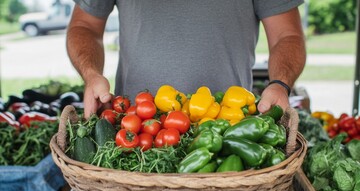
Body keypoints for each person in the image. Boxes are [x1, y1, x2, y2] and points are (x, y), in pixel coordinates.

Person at [66, 1, 306, 119]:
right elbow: (84, 26)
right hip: (136, 130)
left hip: (228, 129)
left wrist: (280, 83)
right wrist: (91, 75)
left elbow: (287, 35)